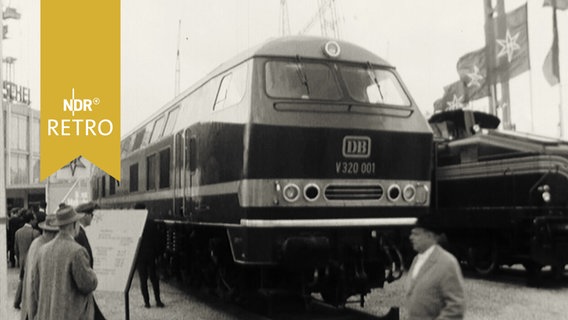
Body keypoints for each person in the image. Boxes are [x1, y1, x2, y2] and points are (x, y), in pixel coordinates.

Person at [31, 205, 98, 320]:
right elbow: (88, 284)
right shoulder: (76, 251)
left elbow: (35, 285)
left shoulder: (43, 250)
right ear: (74, 225)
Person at [405, 214, 465, 320]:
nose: (411, 237)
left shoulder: (447, 263)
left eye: (416, 234)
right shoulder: (416, 260)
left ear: (430, 236)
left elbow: (456, 307)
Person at [20, 213, 59, 320]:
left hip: (28, 308)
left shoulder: (35, 243)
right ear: (54, 233)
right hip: (35, 310)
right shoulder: (44, 248)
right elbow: (35, 282)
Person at [75, 201, 106, 320]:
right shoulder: (79, 234)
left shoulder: (80, 232)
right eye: (91, 215)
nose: (92, 218)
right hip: (83, 284)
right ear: (84, 215)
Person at [135, 203, 165, 308]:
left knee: (143, 280)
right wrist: (158, 255)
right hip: (151, 255)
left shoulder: (134, 225)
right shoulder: (151, 223)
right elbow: (157, 240)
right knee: (154, 279)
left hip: (139, 256)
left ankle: (147, 303)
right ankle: (158, 301)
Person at [13, 210, 41, 309]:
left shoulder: (18, 232)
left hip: (22, 259)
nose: (36, 221)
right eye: (34, 219)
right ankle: (27, 302)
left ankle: (17, 301)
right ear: (31, 220)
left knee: (22, 280)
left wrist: (18, 258)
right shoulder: (35, 233)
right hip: (31, 260)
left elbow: (15, 248)